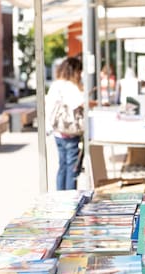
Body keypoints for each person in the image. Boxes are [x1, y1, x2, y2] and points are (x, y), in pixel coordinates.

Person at [45, 57, 85, 191]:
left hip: (57, 131)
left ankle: (59, 196)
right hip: (70, 131)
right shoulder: (70, 86)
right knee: (72, 166)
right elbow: (80, 103)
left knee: (62, 165)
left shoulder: (55, 85)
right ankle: (70, 198)